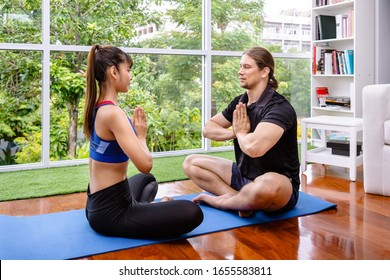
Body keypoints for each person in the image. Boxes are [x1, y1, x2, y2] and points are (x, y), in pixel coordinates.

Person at [83, 44, 203, 238]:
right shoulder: (113, 113)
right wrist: (141, 136)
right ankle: (147, 212)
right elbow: (145, 165)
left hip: (96, 204)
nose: (130, 76)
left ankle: (146, 211)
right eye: (128, 70)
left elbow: (145, 174)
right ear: (114, 72)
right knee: (192, 212)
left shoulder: (99, 107)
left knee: (148, 182)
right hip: (111, 214)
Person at [183, 46, 300, 217]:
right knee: (190, 163)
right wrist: (235, 132)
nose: (240, 71)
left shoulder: (279, 107)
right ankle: (239, 200)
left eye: (246, 67)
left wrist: (241, 133)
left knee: (267, 185)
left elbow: (254, 148)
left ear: (264, 72)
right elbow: (208, 128)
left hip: (277, 182)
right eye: (240, 66)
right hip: (243, 175)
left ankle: (220, 201)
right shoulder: (241, 102)